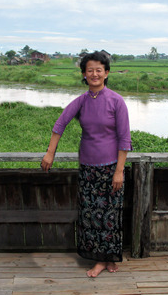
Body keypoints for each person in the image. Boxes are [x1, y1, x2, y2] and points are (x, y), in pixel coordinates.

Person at [41, 51, 132, 278]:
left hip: (111, 168)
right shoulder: (81, 101)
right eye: (89, 70)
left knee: (110, 215)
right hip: (88, 169)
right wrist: (50, 153)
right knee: (92, 216)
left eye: (99, 70)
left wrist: (119, 171)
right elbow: (60, 124)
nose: (94, 74)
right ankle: (101, 260)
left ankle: (107, 258)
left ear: (106, 73)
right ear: (84, 74)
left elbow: (124, 139)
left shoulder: (116, 101)